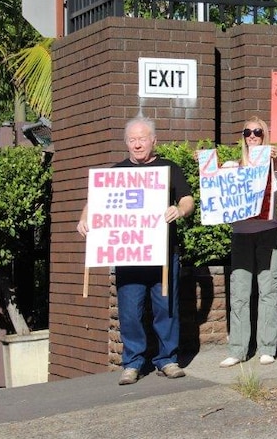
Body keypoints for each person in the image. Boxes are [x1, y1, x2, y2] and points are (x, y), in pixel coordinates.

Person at [77, 116, 195, 385]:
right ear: (126, 143)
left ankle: (168, 359)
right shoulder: (116, 173)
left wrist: (180, 209)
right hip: (129, 255)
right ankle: (132, 363)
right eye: (132, 139)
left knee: (166, 308)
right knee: (129, 312)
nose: (137, 144)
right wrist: (85, 219)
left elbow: (187, 199)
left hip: (163, 254)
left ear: (153, 141)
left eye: (142, 139)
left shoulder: (169, 168)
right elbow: (94, 203)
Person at [217, 117, 277, 368]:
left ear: (266, 136)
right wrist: (206, 167)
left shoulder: (275, 166)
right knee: (240, 292)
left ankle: (267, 347)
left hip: (268, 232)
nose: (253, 135)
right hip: (241, 234)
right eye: (248, 132)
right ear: (243, 137)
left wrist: (275, 161)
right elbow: (216, 185)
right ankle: (238, 349)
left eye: (258, 132)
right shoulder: (233, 166)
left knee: (268, 290)